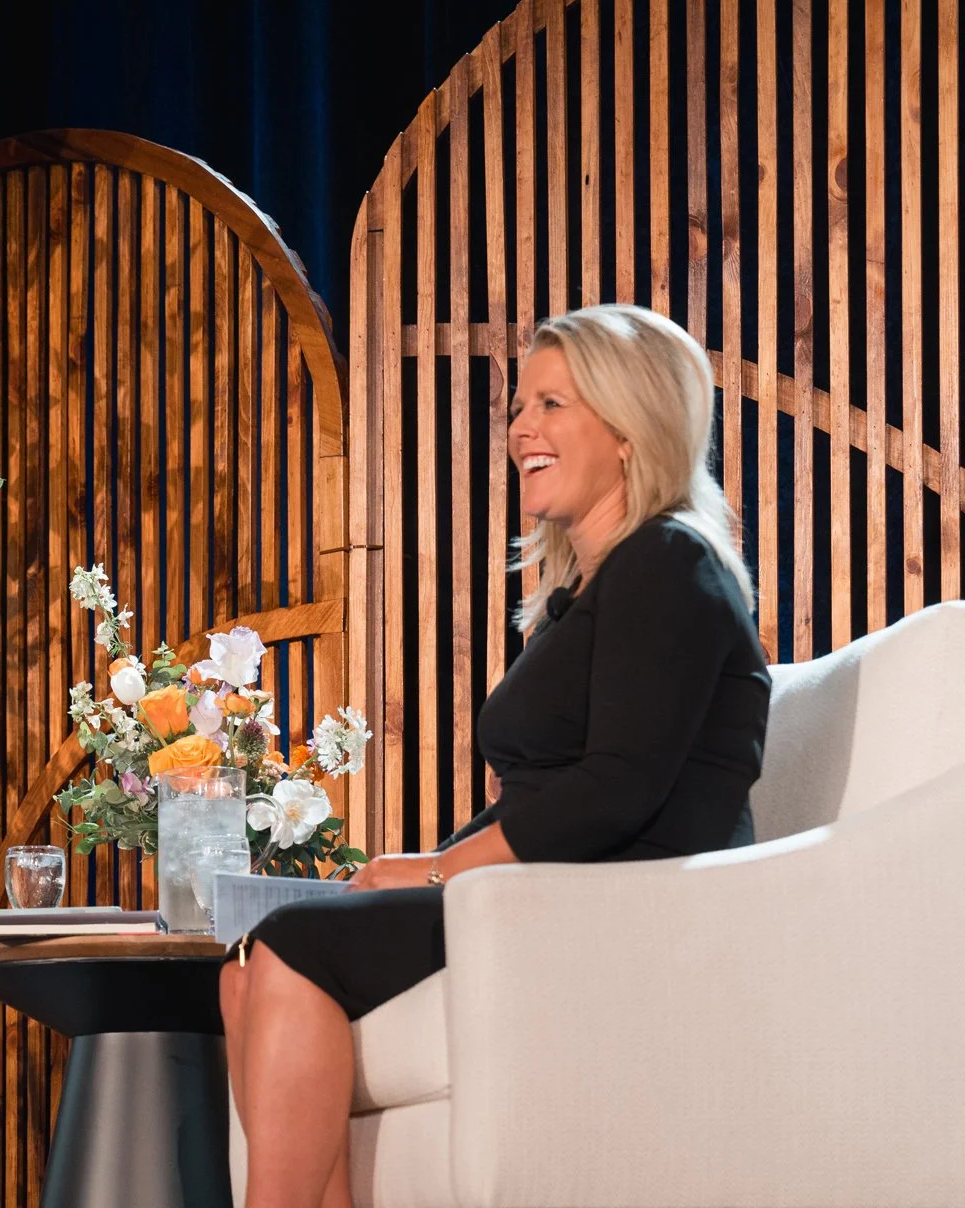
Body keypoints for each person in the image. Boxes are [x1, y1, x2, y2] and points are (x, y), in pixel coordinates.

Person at [221, 304, 770, 1207]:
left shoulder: (670, 562)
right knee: (246, 969)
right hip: (552, 889)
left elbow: (614, 791)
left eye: (553, 404)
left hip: (625, 907)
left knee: (286, 947)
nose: (521, 428)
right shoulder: (589, 593)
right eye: (521, 406)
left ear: (631, 429)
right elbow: (540, 792)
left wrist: (438, 869)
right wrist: (407, 870)